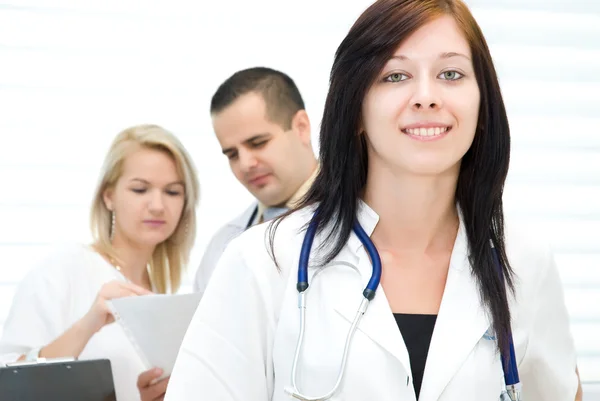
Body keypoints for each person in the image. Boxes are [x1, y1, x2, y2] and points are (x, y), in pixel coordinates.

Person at [165, 1, 582, 400]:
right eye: (395, 76)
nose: (426, 96)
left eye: (451, 74)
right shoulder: (263, 261)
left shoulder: (524, 262)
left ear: (483, 104)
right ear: (356, 110)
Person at [0, 124, 200, 401]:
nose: (157, 205)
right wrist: (88, 325)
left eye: (173, 192)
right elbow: (10, 382)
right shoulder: (62, 272)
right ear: (108, 196)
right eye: (140, 189)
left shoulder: (165, 297)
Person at [194, 67, 318, 294]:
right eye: (232, 154)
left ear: (301, 127)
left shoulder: (367, 218)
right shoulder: (223, 245)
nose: (245, 164)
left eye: (258, 143)